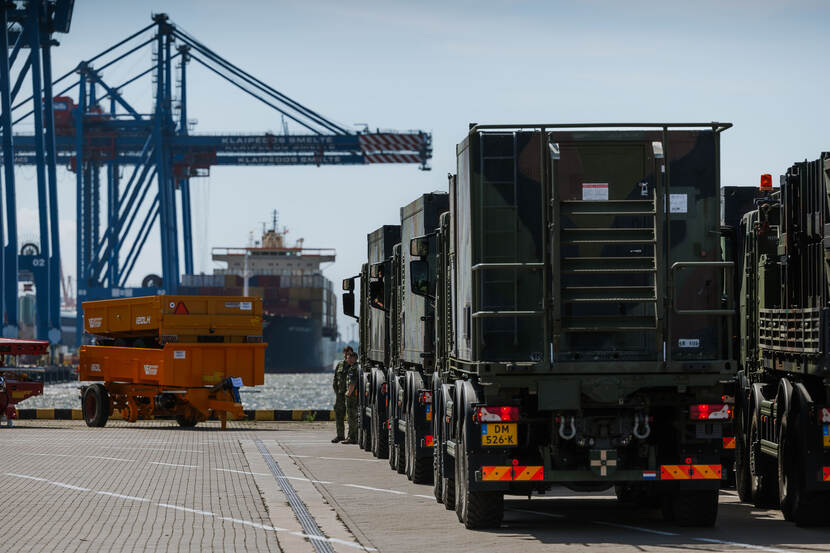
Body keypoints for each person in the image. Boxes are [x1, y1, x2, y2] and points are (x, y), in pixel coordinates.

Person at [332, 346, 353, 443]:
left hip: (350, 396)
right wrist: (337, 392)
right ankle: (340, 435)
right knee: (339, 415)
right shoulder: (339, 365)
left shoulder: (354, 366)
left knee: (351, 417)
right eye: (346, 353)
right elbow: (335, 379)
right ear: (344, 354)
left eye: (350, 354)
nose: (348, 355)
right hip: (340, 395)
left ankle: (351, 437)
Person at [342, 351, 360, 444]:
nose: (346, 359)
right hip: (354, 397)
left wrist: (348, 394)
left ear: (353, 358)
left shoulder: (353, 369)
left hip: (352, 397)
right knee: (354, 417)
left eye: (348, 357)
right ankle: (354, 437)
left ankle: (351, 437)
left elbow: (352, 383)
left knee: (351, 418)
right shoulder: (356, 367)